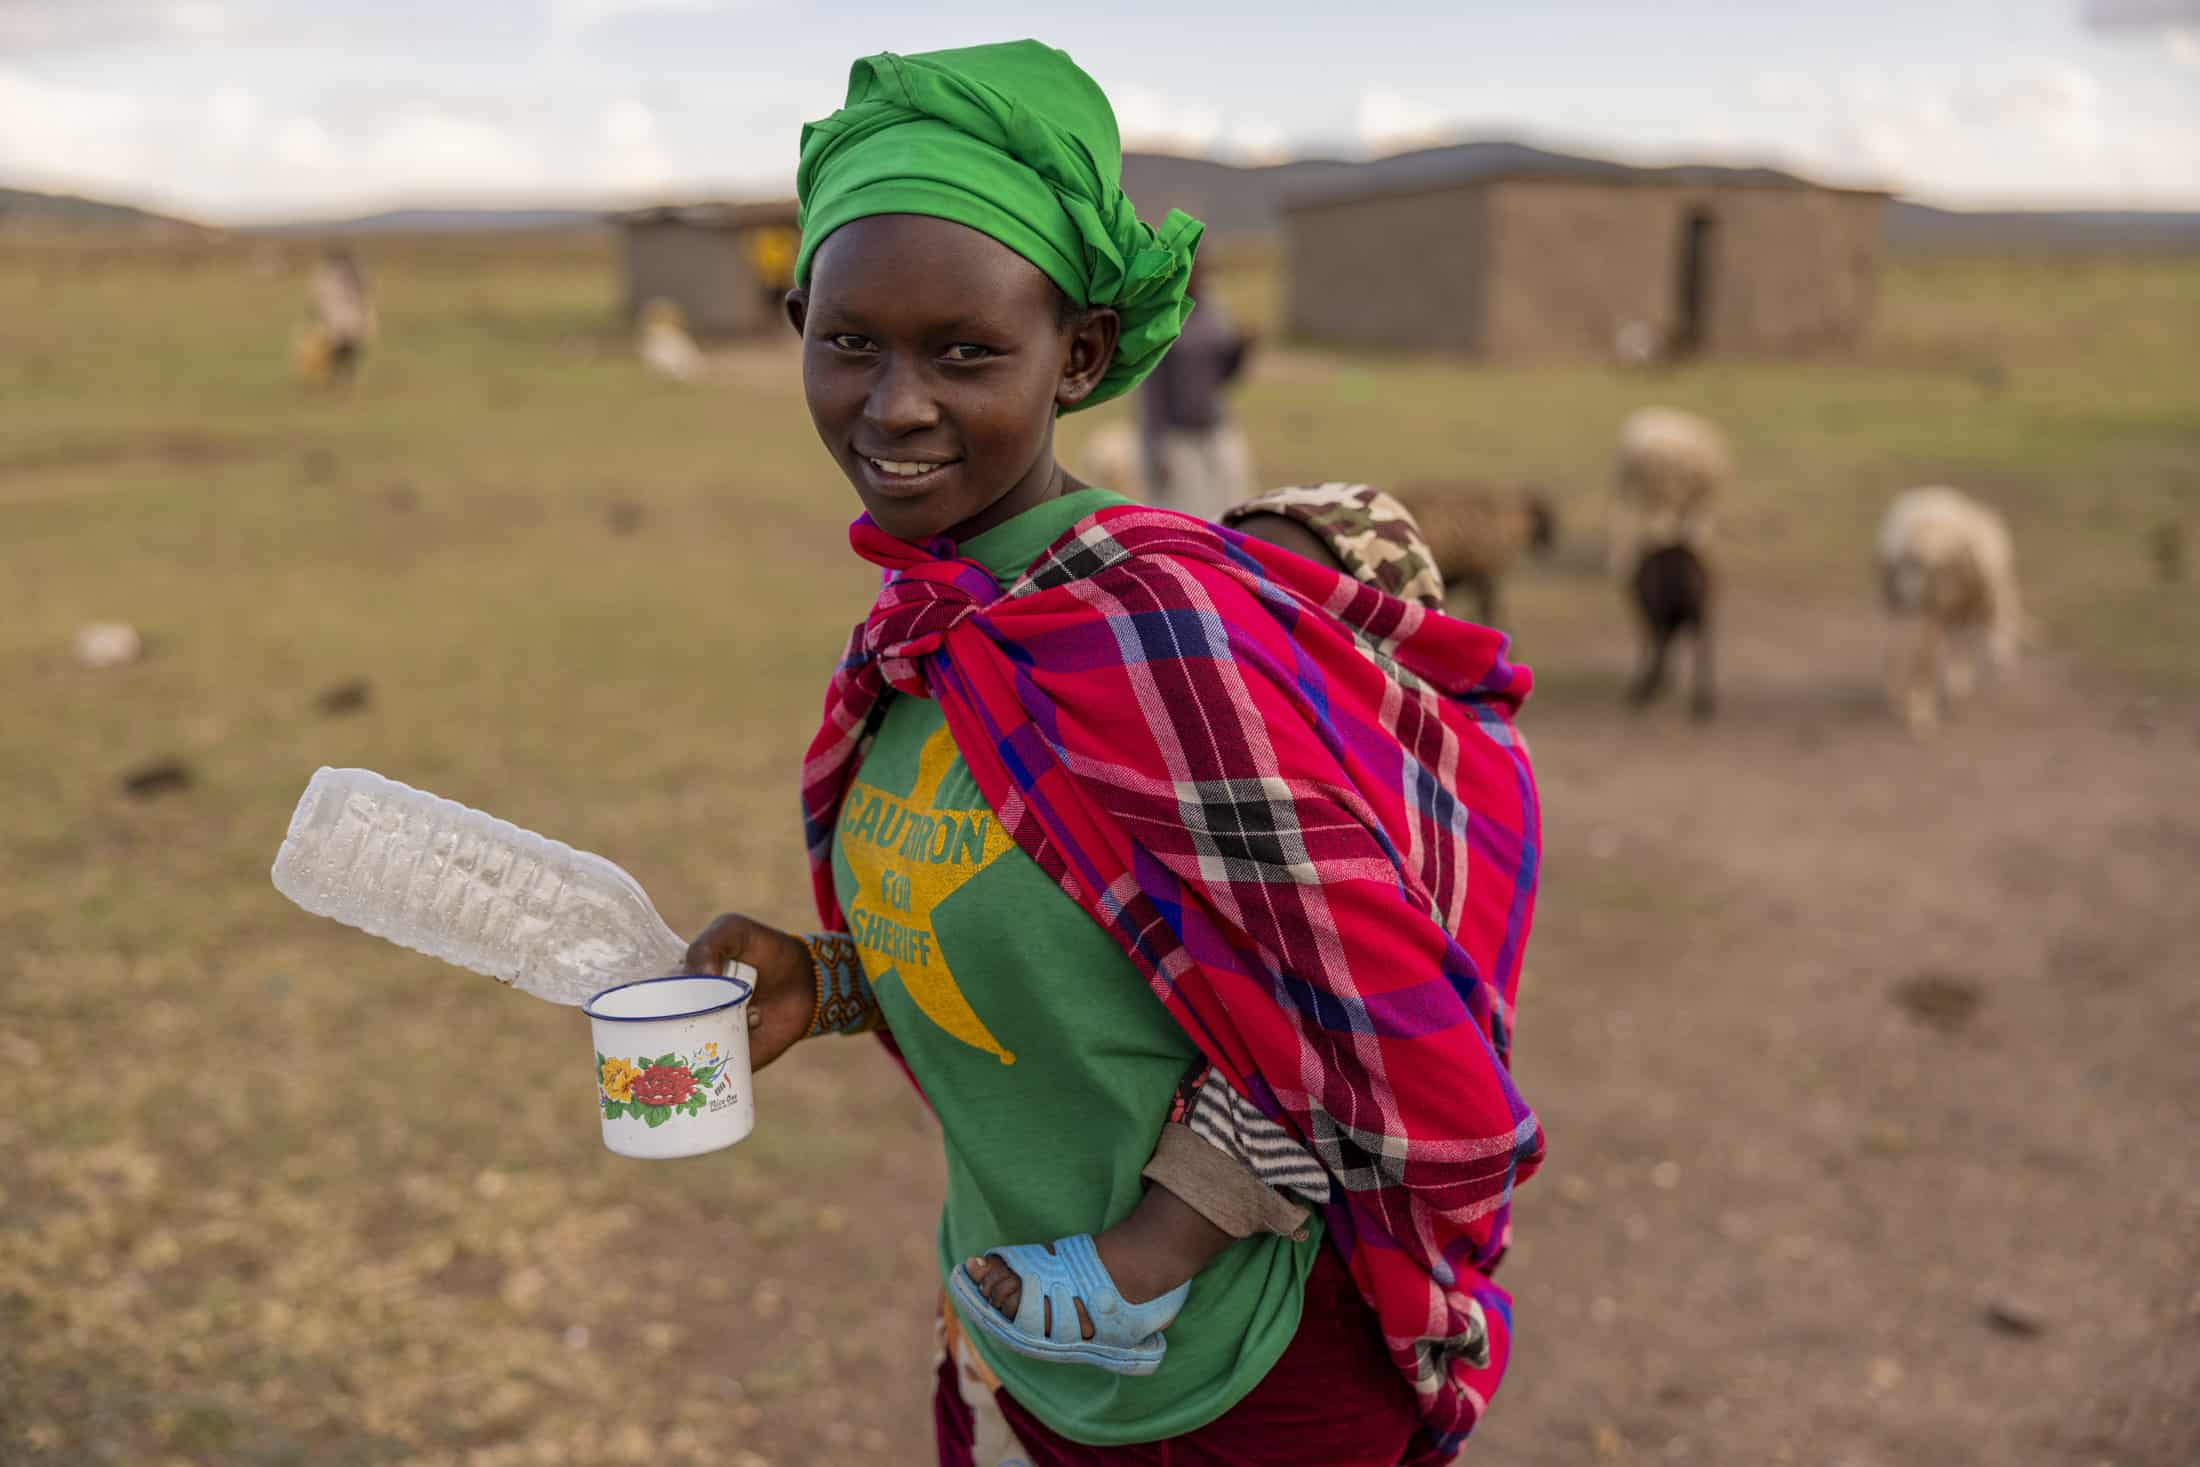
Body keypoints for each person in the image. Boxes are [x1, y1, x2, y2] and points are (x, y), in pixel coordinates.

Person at [682, 41, 1543, 1467]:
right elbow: (1077, 957)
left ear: (1079, 354)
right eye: (852, 342)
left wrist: (1158, 1242)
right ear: (798, 321)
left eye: (966, 351)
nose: (896, 403)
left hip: (1247, 1388)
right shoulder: (931, 636)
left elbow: (1355, 1028)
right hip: (1029, 1345)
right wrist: (828, 978)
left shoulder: (1162, 636)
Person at [1135, 255, 1253, 521]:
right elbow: (1151, 394)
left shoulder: (1216, 315)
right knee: (1187, 516)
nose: (1197, 275)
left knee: (1232, 512)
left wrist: (1241, 353)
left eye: (1201, 267)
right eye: (1191, 268)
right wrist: (1156, 449)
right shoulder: (1162, 319)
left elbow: (1223, 376)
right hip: (1179, 437)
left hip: (1215, 429)